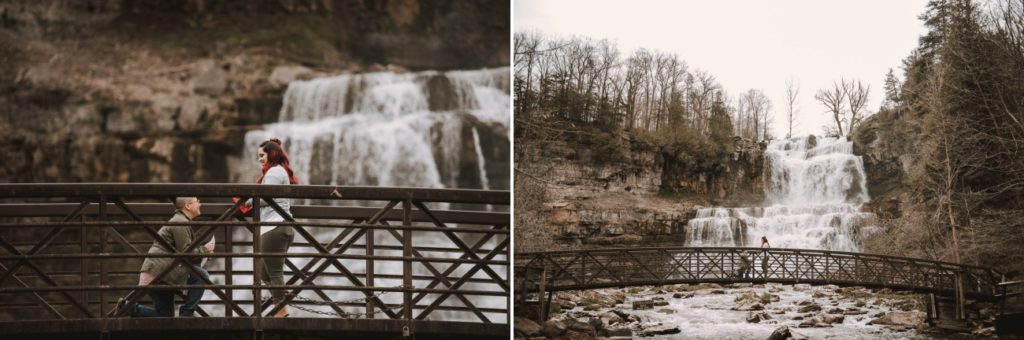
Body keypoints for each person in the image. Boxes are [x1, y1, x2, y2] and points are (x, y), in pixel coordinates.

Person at [117, 197, 213, 317]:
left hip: (158, 272)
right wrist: (205, 249)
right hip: (160, 273)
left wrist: (203, 254)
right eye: (196, 200)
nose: (200, 202)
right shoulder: (180, 222)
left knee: (165, 316)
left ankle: (129, 308)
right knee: (202, 275)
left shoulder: (181, 220)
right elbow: (186, 252)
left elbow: (184, 254)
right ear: (188, 206)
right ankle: (186, 314)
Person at [244, 138, 298, 318]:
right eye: (258, 156)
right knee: (265, 273)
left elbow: (263, 196)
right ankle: (279, 305)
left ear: (272, 154)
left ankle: (281, 311)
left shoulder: (274, 172)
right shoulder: (277, 171)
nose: (259, 159)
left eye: (262, 155)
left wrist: (245, 201)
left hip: (275, 227)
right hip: (278, 227)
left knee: (274, 272)